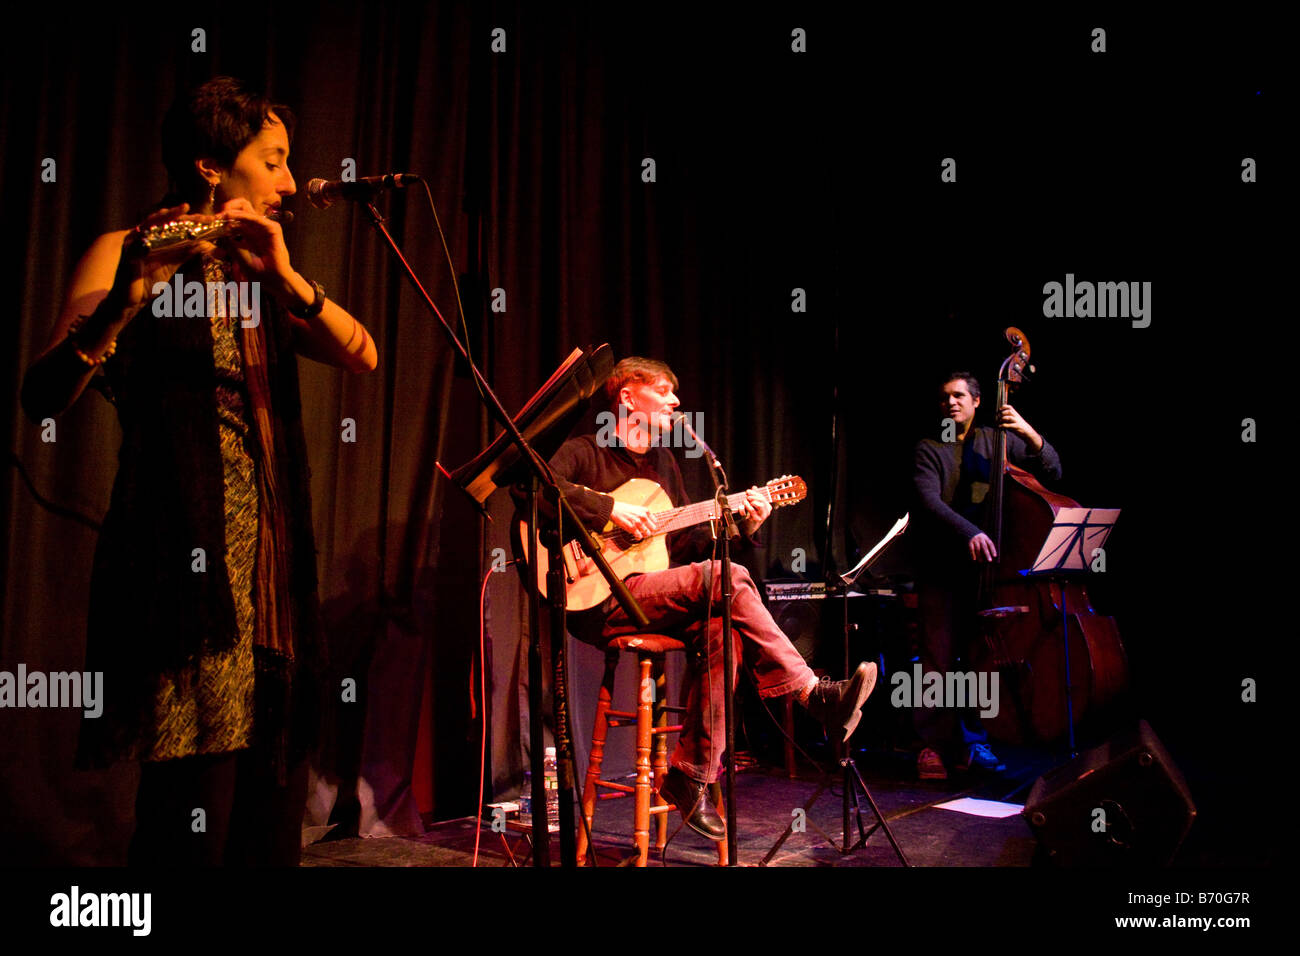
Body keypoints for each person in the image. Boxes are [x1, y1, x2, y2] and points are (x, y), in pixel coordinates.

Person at [21, 76, 377, 865]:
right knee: (187, 822)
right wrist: (127, 299)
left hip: (273, 589)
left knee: (268, 820)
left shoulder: (259, 271)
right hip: (183, 575)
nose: (291, 182)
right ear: (212, 168)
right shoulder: (124, 251)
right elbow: (42, 395)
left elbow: (364, 353)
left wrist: (286, 275)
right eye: (275, 161)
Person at [532, 356, 876, 841]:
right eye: (664, 392)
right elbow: (539, 490)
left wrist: (743, 523)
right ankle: (811, 693)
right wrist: (613, 509)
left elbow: (686, 550)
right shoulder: (583, 452)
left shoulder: (665, 466)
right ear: (628, 396)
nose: (676, 402)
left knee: (724, 631)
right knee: (727, 577)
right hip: (595, 598)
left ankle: (690, 775)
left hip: (649, 594)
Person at [910, 372, 1061, 779]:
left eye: (959, 396)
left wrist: (1028, 432)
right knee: (936, 662)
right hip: (942, 570)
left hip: (993, 570)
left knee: (981, 661)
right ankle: (932, 746)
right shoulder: (930, 448)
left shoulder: (1000, 441)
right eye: (945, 398)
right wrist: (970, 531)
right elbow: (927, 502)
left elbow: (1053, 471)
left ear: (977, 401)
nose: (951, 403)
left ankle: (974, 742)